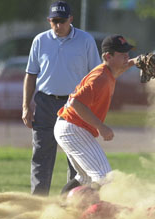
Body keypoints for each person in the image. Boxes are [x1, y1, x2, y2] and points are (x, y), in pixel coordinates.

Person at [22, 1, 101, 196]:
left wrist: (93, 107)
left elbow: (96, 75)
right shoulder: (40, 41)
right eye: (54, 21)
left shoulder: (85, 40)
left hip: (75, 105)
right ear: (49, 20)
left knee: (77, 157)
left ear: (71, 19)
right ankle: (38, 204)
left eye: (62, 21)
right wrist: (26, 106)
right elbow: (31, 74)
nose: (58, 25)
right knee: (42, 155)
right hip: (45, 103)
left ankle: (71, 202)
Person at [54, 34, 139, 193]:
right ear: (108, 56)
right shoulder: (100, 78)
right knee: (104, 178)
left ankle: (61, 208)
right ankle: (93, 213)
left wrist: (135, 62)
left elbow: (120, 68)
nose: (127, 56)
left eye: (127, 52)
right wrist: (101, 127)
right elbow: (76, 103)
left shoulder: (107, 72)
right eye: (122, 54)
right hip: (72, 128)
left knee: (84, 178)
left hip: (69, 126)